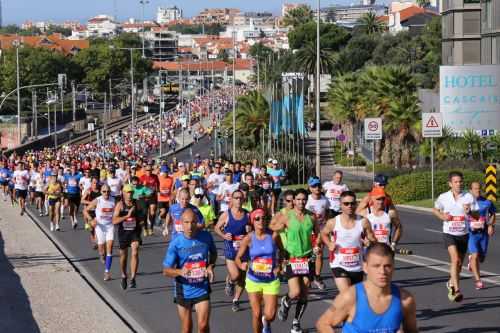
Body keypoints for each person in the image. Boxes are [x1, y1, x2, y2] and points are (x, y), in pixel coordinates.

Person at [315, 243, 418, 333]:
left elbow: (412, 330)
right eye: (376, 266)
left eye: (387, 266)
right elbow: (323, 323)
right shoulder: (351, 297)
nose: (382, 272)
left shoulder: (405, 300)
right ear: (365, 267)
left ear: (393, 267)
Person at [270, 189, 317, 333]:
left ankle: (296, 323)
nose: (301, 202)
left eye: (304, 199)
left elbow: (318, 233)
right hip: (292, 258)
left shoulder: (311, 216)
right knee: (295, 291)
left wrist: (317, 246)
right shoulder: (287, 217)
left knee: (304, 293)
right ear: (294, 201)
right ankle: (286, 301)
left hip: (307, 257)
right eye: (298, 199)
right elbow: (273, 227)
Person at [163, 208, 217, 333]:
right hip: (183, 289)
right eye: (186, 222)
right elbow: (166, 271)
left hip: (201, 286)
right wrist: (181, 272)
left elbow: (213, 253)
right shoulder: (176, 243)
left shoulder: (206, 236)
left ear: (197, 222)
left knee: (203, 326)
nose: (190, 226)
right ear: (181, 223)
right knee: (187, 328)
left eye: (192, 222)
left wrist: (210, 266)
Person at [236, 209, 282, 333]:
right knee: (256, 314)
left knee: (270, 315)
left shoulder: (273, 235)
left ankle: (266, 322)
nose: (261, 221)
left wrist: (279, 266)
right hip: (253, 280)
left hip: (270, 280)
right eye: (257, 218)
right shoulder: (248, 238)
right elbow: (238, 258)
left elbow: (282, 251)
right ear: (252, 221)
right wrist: (242, 265)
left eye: (263, 218)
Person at [321, 191, 377, 293]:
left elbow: (373, 239)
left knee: (354, 297)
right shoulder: (333, 222)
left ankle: (342, 308)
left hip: (357, 266)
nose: (349, 206)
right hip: (338, 264)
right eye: (346, 204)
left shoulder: (363, 222)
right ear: (340, 205)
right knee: (346, 294)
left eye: (352, 203)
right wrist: (329, 244)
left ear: (356, 204)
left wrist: (369, 242)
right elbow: (323, 233)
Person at [433, 171, 473, 302]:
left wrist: (470, 211)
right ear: (450, 184)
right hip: (449, 233)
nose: (458, 184)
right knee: (455, 260)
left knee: (459, 264)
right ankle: (456, 290)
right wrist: (442, 216)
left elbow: (477, 215)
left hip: (464, 234)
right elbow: (435, 209)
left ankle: (450, 282)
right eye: (455, 182)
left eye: (460, 181)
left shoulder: (468, 196)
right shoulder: (443, 197)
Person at [214, 189, 251, 312]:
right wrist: (224, 235)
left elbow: (252, 232)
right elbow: (216, 228)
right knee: (235, 275)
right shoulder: (226, 214)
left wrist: (247, 235)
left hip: (243, 249)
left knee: (242, 276)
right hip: (230, 247)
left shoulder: (247, 215)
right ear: (232, 199)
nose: (239, 200)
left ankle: (236, 300)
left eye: (241, 198)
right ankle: (229, 280)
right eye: (236, 198)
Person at [466, 181, 496, 289]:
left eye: (479, 189)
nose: (477, 191)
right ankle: (478, 281)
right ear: (470, 190)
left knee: (481, 258)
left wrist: (491, 225)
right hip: (471, 234)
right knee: (475, 256)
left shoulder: (487, 202)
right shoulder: (466, 203)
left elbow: (492, 213)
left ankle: (472, 261)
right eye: (475, 189)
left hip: (483, 234)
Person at [84, 184, 116, 281]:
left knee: (109, 248)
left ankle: (107, 272)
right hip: (100, 227)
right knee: (102, 250)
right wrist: (91, 220)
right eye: (104, 191)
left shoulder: (114, 200)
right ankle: (102, 255)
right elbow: (85, 210)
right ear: (101, 192)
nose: (106, 193)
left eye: (108, 191)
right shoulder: (98, 200)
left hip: (110, 226)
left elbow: (117, 212)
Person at [112, 184, 141, 290]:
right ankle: (124, 275)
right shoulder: (120, 205)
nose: (129, 195)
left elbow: (141, 217)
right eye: (127, 192)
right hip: (123, 233)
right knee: (123, 257)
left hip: (134, 232)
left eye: (131, 192)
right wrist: (126, 216)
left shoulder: (136, 204)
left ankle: (133, 278)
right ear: (123, 193)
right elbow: (114, 221)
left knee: (135, 250)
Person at [305, 176, 329, 290]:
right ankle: (307, 276)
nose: (317, 188)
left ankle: (317, 276)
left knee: (319, 252)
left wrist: (326, 227)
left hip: (321, 230)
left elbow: (327, 213)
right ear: (310, 188)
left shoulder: (325, 199)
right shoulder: (307, 199)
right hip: (309, 231)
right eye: (314, 186)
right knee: (309, 254)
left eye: (318, 185)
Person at [63, 164, 82, 229]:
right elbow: (65, 182)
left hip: (77, 194)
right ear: (70, 169)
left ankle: (75, 217)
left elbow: (81, 183)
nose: (73, 169)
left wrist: (80, 185)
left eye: (74, 168)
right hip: (70, 194)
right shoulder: (67, 175)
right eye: (72, 168)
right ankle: (73, 222)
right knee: (71, 208)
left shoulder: (79, 175)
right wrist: (65, 185)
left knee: (76, 208)